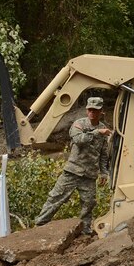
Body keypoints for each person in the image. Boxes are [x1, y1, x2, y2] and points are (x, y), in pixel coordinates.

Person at [34, 96, 112, 234]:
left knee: (88, 204)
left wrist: (104, 172)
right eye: (90, 110)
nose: (92, 113)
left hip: (89, 174)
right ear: (87, 110)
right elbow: (79, 140)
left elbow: (103, 153)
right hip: (73, 171)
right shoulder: (79, 124)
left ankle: (85, 231)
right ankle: (40, 224)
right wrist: (96, 132)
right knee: (56, 197)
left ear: (101, 112)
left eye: (96, 110)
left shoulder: (103, 129)